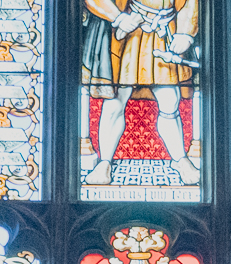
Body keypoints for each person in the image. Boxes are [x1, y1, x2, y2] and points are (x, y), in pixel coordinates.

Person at [83, 0, 199, 187]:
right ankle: (104, 162)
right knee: (115, 100)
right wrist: (118, 17)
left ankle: (180, 160)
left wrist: (185, 33)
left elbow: (190, 3)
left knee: (170, 99)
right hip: (128, 33)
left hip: (164, 34)